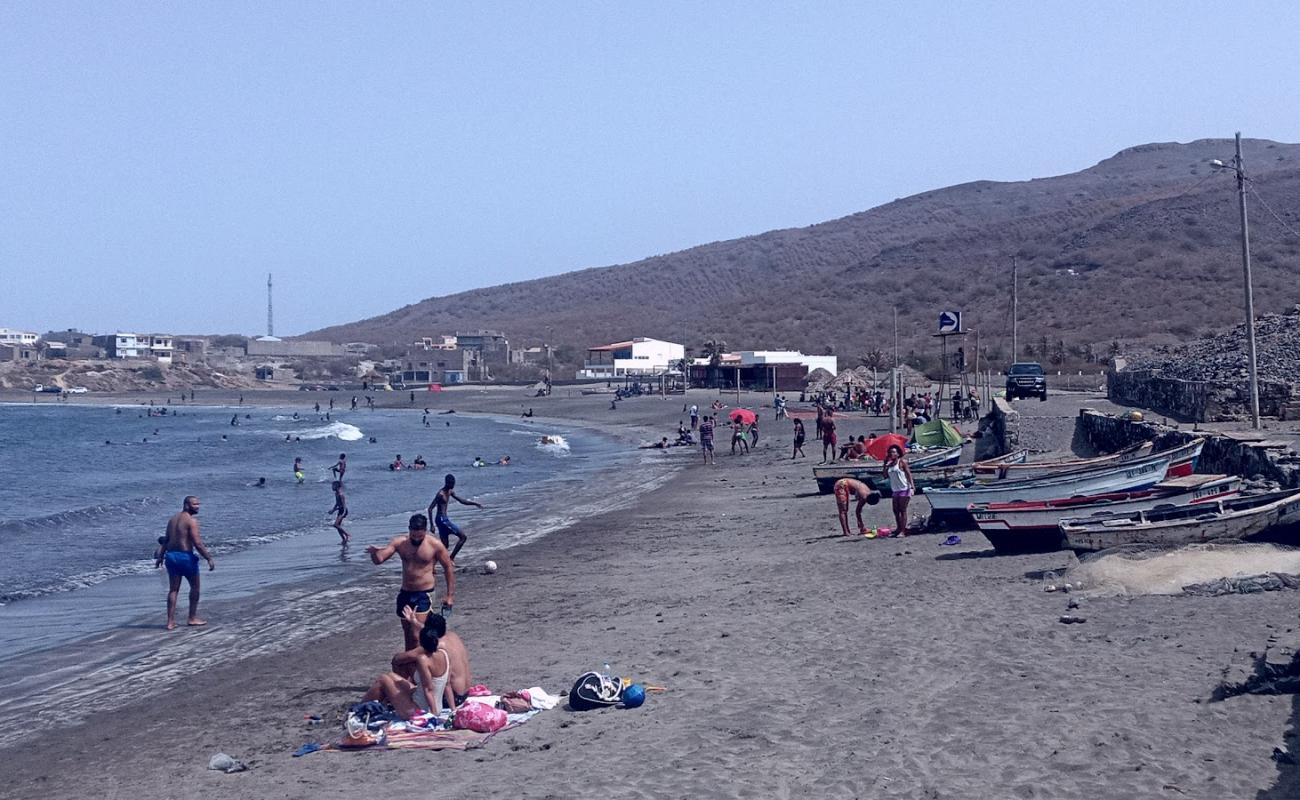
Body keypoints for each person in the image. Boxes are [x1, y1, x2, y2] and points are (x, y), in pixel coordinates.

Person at [368, 513, 457, 651]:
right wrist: (374, 553)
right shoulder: (400, 543)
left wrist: (450, 595)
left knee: (417, 634)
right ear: (409, 530)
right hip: (405, 593)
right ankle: (411, 668)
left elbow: (448, 568)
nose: (416, 539)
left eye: (420, 536)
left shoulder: (435, 545)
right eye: (413, 535)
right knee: (408, 634)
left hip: (424, 593)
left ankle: (424, 664)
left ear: (425, 531)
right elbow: (379, 560)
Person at [362, 616, 451, 718]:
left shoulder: (423, 659)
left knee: (383, 679)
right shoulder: (444, 653)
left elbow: (428, 689)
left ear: (421, 643)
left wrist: (433, 715)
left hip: (420, 710)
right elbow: (447, 685)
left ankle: (356, 710)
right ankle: (377, 705)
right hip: (433, 704)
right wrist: (453, 710)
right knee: (391, 676)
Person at [154, 496, 214, 630]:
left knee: (173, 589)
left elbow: (166, 540)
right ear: (186, 505)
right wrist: (208, 558)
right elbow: (197, 543)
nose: (198, 506)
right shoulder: (191, 521)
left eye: (198, 504)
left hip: (171, 557)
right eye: (194, 504)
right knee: (195, 587)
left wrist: (160, 557)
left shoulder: (172, 519)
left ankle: (170, 622)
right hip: (185, 557)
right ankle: (192, 618)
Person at [391, 612, 474, 709]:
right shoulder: (453, 636)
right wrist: (415, 622)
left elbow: (399, 659)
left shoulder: (437, 644)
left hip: (451, 698)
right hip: (464, 694)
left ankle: (402, 693)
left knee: (405, 663)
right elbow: (431, 631)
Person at [427, 474, 482, 562]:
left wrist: (474, 503)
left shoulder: (450, 491)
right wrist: (431, 525)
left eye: (453, 483)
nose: (453, 485)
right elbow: (430, 509)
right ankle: (451, 559)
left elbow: (461, 501)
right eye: (451, 483)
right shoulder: (440, 494)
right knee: (463, 537)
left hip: (443, 519)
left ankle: (431, 564)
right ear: (447, 483)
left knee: (444, 546)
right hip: (441, 520)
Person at [883, 444, 915, 537]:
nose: (891, 453)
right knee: (895, 510)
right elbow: (885, 476)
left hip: (904, 488)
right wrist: (885, 465)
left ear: (897, 454)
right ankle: (898, 528)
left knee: (902, 510)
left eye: (893, 452)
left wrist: (912, 486)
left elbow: (908, 474)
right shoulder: (890, 464)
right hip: (895, 490)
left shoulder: (902, 462)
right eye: (890, 452)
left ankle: (903, 531)